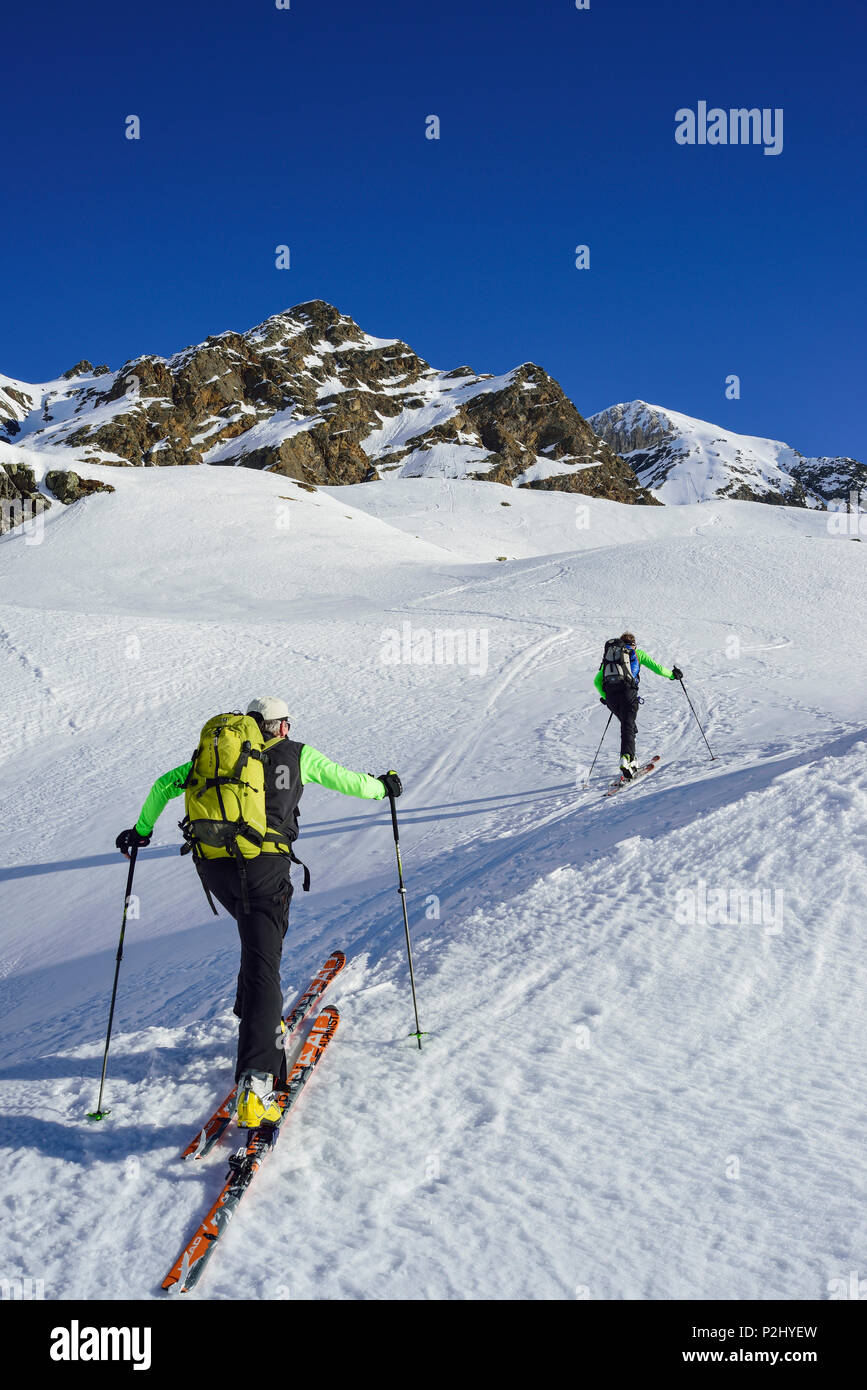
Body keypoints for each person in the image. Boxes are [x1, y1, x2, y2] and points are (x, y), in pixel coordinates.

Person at [115, 697, 402, 1126]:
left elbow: (161, 786)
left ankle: (253, 1016)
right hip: (264, 869)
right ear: (280, 726)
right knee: (265, 964)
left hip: (214, 868)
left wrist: (140, 832)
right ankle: (257, 1081)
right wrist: (385, 786)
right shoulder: (299, 754)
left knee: (256, 947)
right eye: (286, 723)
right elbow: (353, 784)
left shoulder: (216, 758)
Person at [594, 634, 682, 778]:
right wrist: (673, 675)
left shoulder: (611, 657)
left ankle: (631, 758)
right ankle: (626, 758)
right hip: (628, 694)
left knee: (628, 726)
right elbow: (658, 669)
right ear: (634, 644)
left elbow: (597, 682)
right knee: (628, 727)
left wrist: (606, 698)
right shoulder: (637, 653)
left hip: (611, 697)